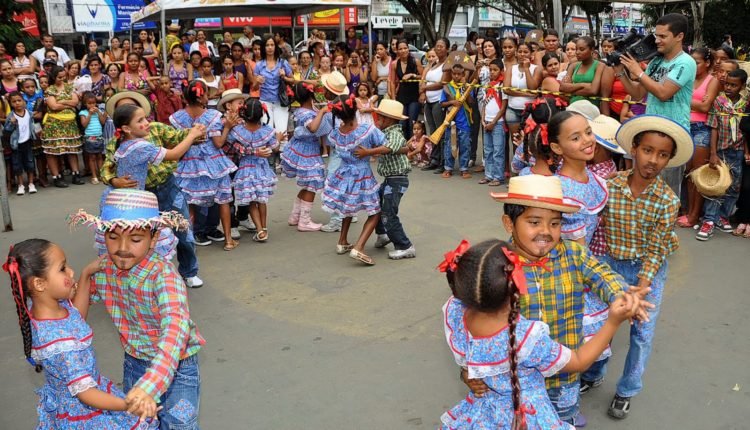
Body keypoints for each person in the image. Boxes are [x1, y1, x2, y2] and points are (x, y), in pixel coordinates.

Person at [470, 174, 648, 427]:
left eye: (554, 223)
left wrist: (622, 294)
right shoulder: (496, 264)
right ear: (509, 223)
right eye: (534, 222)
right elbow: (474, 320)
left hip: (565, 377)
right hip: (515, 384)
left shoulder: (574, 253)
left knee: (563, 417)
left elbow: (603, 275)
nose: (546, 231)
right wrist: (469, 369)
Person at [439, 239, 637, 429]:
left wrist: (466, 374)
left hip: (486, 416)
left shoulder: (456, 313)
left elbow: (467, 364)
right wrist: (613, 322)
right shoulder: (526, 338)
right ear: (516, 286)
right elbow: (578, 361)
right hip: (528, 417)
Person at [70, 189, 205, 428]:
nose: (122, 248)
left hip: (178, 367)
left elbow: (175, 329)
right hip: (135, 362)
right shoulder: (104, 270)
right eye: (113, 237)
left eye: (135, 239)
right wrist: (86, 274)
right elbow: (74, 319)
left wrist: (149, 385)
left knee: (179, 424)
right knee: (138, 422)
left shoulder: (163, 276)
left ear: (153, 239)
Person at [3, 239, 159, 429]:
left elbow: (77, 317)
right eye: (62, 268)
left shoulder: (43, 307)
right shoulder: (60, 344)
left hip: (70, 399)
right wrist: (129, 405)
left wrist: (86, 275)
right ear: (39, 284)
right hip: (83, 411)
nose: (71, 271)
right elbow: (86, 394)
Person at [596, 115, 692, 419]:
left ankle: (627, 388)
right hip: (609, 265)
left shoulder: (667, 200)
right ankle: (592, 371)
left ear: (669, 160)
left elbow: (657, 248)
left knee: (641, 332)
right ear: (634, 149)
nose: (653, 160)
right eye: (648, 150)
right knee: (600, 324)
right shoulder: (610, 184)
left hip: (646, 272)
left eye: (663, 155)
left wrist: (642, 285)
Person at [100, 91, 204, 288]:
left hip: (165, 188)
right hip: (139, 199)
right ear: (125, 126)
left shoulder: (149, 131)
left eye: (143, 117)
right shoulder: (131, 144)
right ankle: (147, 280)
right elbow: (174, 154)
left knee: (182, 231)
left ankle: (188, 271)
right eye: (139, 119)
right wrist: (114, 180)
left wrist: (195, 131)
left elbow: (178, 136)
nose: (145, 122)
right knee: (141, 240)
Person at [616, 13, 696, 196]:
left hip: (673, 134)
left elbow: (663, 93)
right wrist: (621, 73)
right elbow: (637, 93)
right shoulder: (656, 61)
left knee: (665, 193)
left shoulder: (686, 62)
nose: (657, 40)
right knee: (642, 188)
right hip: (650, 130)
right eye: (656, 35)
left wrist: (639, 72)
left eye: (662, 36)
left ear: (679, 36)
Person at [171, 80, 238, 251]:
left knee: (190, 203)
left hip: (188, 163)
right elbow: (218, 143)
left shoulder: (177, 118)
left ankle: (188, 242)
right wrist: (228, 127)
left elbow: (175, 141)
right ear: (202, 98)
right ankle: (229, 240)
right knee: (223, 200)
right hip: (214, 162)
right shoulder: (212, 116)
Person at [321, 94, 385, 265]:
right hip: (362, 174)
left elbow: (334, 146)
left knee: (347, 207)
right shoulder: (367, 130)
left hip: (343, 174)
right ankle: (359, 247)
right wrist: (371, 152)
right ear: (355, 109)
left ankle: (342, 241)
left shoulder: (336, 133)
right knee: (375, 211)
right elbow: (385, 144)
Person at [354, 99, 416, 260]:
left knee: (389, 212)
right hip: (390, 179)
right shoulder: (386, 133)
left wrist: (368, 152)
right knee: (377, 205)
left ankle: (405, 246)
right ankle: (382, 234)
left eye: (380, 118)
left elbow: (388, 148)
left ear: (389, 120)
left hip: (397, 180)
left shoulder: (394, 133)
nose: (377, 120)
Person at [697, 69, 748, 240]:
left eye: (733, 85)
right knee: (717, 185)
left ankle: (722, 216)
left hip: (738, 150)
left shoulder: (745, 103)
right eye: (727, 84)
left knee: (734, 186)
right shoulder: (718, 101)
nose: (729, 87)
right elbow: (714, 127)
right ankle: (709, 220)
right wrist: (713, 152)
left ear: (742, 86)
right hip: (721, 150)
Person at [226, 98, 280, 241]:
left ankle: (260, 230)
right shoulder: (267, 131)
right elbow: (275, 147)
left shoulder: (237, 131)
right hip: (262, 168)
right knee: (262, 200)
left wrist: (250, 150)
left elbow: (232, 145)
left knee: (251, 201)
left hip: (246, 169)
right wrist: (276, 140)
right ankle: (264, 227)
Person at [680, 47, 720, 228]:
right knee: (688, 174)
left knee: (698, 174)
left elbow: (705, 107)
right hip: (684, 126)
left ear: (707, 63)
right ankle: (689, 213)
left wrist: (682, 98)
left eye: (696, 62)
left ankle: (695, 216)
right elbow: (699, 103)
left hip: (701, 129)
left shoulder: (712, 81)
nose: (693, 66)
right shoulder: (688, 78)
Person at [281, 82, 330, 231]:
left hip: (305, 149)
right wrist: (322, 112)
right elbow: (313, 127)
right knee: (312, 185)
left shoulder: (303, 110)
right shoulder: (306, 113)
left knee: (306, 184)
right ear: (311, 95)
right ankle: (304, 221)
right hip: (307, 152)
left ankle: (295, 216)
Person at [42, 66, 83, 187]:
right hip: (54, 125)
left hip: (70, 124)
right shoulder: (50, 89)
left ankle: (76, 174)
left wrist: (61, 102)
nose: (62, 79)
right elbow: (53, 107)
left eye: (64, 76)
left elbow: (75, 102)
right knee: (53, 151)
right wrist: (67, 104)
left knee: (72, 149)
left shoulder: (70, 87)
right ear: (54, 77)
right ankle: (56, 177)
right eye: (59, 77)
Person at [254, 35, 294, 136]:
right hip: (265, 102)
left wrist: (284, 76)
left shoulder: (283, 63)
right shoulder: (259, 65)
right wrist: (257, 81)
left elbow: (293, 80)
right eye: (267, 45)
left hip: (280, 101)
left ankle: (282, 151)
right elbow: (254, 87)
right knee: (267, 131)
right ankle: (269, 152)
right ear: (264, 48)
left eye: (272, 45)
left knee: (282, 131)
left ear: (276, 47)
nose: (270, 47)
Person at [441, 64, 474, 179]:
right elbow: (442, 103)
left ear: (463, 75)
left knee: (465, 145)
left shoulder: (467, 86)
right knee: (449, 144)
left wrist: (466, 88)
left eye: (459, 74)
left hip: (464, 121)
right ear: (451, 74)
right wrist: (452, 103)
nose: (456, 76)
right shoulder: (447, 87)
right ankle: (448, 168)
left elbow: (471, 102)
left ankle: (464, 168)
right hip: (451, 120)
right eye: (454, 74)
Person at [504, 42, 541, 142]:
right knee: (516, 140)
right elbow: (506, 89)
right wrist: (526, 94)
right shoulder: (511, 68)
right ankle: (517, 158)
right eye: (520, 51)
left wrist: (526, 69)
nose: (522, 54)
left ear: (531, 54)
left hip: (530, 111)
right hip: (512, 110)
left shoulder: (536, 69)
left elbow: (532, 87)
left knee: (529, 140)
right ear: (516, 53)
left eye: (525, 52)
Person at [480, 59, 508, 186]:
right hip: (486, 121)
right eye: (490, 70)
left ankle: (498, 176)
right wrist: (483, 119)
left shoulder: (502, 86)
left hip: (497, 123)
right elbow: (484, 104)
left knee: (498, 151)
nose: (492, 72)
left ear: (501, 71)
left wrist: (494, 121)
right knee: (488, 150)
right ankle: (488, 175)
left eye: (495, 70)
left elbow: (503, 107)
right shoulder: (488, 86)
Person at [4, 91, 37, 195]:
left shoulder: (29, 113)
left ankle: (31, 183)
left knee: (30, 163)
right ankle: (21, 185)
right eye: (14, 101)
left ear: (23, 101)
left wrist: (34, 135)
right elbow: (6, 130)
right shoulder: (11, 116)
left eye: (19, 100)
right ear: (11, 103)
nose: (17, 103)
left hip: (27, 142)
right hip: (16, 144)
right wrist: (11, 123)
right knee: (17, 165)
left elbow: (32, 125)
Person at [391, 39, 423, 140]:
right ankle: (403, 145)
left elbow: (423, 76)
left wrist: (412, 75)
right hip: (401, 96)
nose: (403, 51)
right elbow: (392, 81)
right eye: (400, 49)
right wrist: (393, 98)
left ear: (408, 49)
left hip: (414, 95)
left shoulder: (415, 61)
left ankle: (413, 144)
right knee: (401, 123)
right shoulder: (395, 64)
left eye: (405, 48)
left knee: (411, 122)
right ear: (397, 51)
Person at [560, 37, 606, 105]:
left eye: (582, 49)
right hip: (573, 105)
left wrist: (571, 88)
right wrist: (583, 85)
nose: (577, 52)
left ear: (592, 50)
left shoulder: (600, 66)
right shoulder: (573, 66)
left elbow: (593, 90)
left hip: (591, 107)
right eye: (576, 49)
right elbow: (562, 88)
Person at [20, 79, 48, 187]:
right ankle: (33, 176)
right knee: (28, 154)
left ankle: (42, 176)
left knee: (40, 154)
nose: (30, 89)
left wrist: (27, 114)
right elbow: (20, 113)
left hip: (37, 127)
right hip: (24, 128)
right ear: (22, 88)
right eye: (27, 87)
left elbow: (39, 115)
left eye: (32, 86)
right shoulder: (21, 99)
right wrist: (31, 114)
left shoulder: (39, 99)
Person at [79, 91, 107, 184]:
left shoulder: (98, 111)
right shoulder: (83, 113)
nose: (92, 105)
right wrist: (90, 114)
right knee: (92, 157)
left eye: (94, 103)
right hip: (90, 138)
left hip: (99, 137)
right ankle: (94, 176)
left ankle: (101, 174)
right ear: (85, 104)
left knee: (99, 156)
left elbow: (103, 122)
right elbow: (84, 124)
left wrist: (99, 112)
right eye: (89, 103)